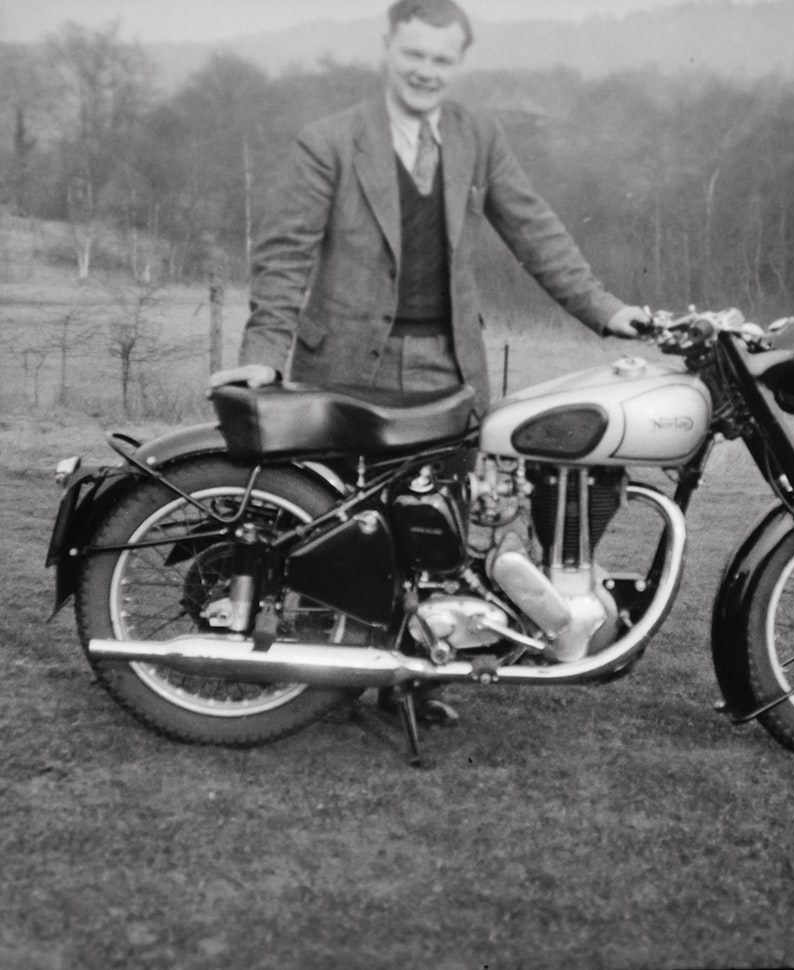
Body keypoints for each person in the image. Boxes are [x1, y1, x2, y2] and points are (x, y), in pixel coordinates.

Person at [211, 0, 651, 725]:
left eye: (441, 59)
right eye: (414, 54)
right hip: (347, 365)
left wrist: (607, 311)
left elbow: (535, 230)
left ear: (458, 64)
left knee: (439, 536)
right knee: (342, 524)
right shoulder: (329, 141)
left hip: (448, 371)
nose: (425, 70)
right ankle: (322, 679)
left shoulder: (477, 137)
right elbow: (284, 254)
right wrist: (261, 355)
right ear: (388, 49)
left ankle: (414, 683)